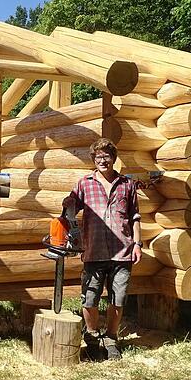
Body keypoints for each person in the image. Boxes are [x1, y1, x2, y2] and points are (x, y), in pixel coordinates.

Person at [62, 138, 142, 360]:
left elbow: (135, 217)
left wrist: (137, 244)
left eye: (106, 156)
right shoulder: (84, 183)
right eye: (98, 157)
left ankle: (111, 338)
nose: (102, 160)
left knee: (118, 298)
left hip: (122, 251)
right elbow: (71, 208)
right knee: (90, 299)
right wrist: (67, 204)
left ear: (114, 159)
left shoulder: (127, 184)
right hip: (93, 250)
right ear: (93, 160)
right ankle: (92, 337)